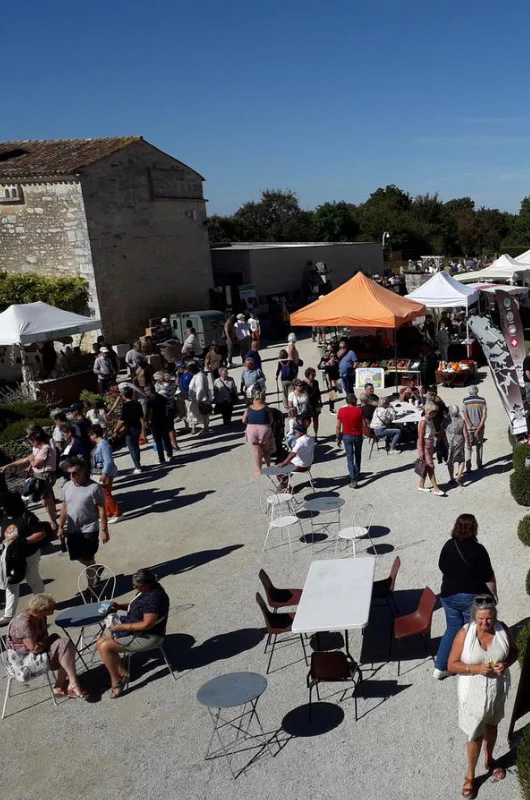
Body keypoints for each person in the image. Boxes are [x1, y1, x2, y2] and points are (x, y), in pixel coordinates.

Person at [448, 596, 518, 798]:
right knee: (475, 735)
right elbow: (452, 664)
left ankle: (490, 760)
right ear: (474, 618)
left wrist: (505, 664)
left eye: (489, 619)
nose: (485, 623)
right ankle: (470, 776)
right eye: (480, 619)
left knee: (492, 726)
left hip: (496, 691)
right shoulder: (464, 634)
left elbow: (514, 651)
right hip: (472, 694)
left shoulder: (502, 629)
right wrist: (476, 668)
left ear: (495, 616)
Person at [434, 514, 497, 680]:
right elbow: (488, 576)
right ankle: (470, 663)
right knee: (473, 631)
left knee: (452, 629)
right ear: (474, 529)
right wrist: (494, 595)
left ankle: (440, 667)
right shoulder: (479, 550)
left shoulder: (449, 545)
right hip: (471, 597)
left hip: (448, 595)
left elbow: (441, 565)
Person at [96, 568, 170, 699]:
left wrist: (121, 626)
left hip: (149, 637)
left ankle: (117, 681)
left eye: (136, 586)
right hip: (137, 630)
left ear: (145, 585)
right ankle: (122, 672)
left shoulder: (153, 599)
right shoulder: (146, 592)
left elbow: (147, 624)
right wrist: (119, 606)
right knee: (101, 640)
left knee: (104, 646)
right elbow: (137, 609)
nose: (133, 587)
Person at [7, 593, 88, 699]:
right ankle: (71, 684)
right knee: (64, 646)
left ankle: (64, 685)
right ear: (40, 610)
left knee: (62, 643)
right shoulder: (24, 624)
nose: (54, 609)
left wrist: (45, 640)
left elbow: (43, 638)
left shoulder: (39, 616)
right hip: (25, 661)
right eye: (51, 608)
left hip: (35, 651)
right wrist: (45, 640)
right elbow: (34, 648)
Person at [0, 493, 46, 624]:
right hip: (10, 557)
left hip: (29, 554)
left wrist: (23, 541)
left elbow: (41, 533)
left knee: (33, 579)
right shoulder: (3, 518)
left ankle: (42, 607)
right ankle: (8, 615)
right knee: (11, 583)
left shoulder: (26, 516)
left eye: (5, 507)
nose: (3, 509)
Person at [57, 457, 109, 573]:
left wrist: (104, 530)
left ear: (83, 471)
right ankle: (96, 568)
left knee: (88, 560)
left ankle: (91, 589)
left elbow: (102, 509)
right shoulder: (67, 486)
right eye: (69, 473)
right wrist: (60, 527)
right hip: (72, 529)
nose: (72, 476)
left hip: (89, 530)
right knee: (76, 556)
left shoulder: (94, 488)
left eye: (75, 473)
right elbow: (64, 507)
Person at [1, 426, 58, 531]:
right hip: (40, 476)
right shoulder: (37, 449)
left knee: (45, 501)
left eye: (31, 442)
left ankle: (54, 522)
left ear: (35, 441)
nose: (30, 444)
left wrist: (31, 460)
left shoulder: (45, 448)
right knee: (46, 500)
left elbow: (36, 463)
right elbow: (24, 460)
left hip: (45, 476)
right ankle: (53, 521)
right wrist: (8, 466)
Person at [89, 424, 121, 523]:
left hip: (106, 472)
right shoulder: (99, 445)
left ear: (95, 434)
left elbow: (108, 460)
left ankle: (117, 513)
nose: (89, 436)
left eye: (90, 434)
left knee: (106, 493)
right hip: (100, 471)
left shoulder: (103, 444)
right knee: (103, 494)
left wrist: (104, 473)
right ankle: (108, 513)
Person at [417, 402, 446, 496]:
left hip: (430, 444)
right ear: (430, 412)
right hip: (425, 445)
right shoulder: (423, 421)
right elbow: (420, 437)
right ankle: (436, 488)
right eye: (434, 412)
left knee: (426, 466)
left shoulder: (429, 419)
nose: (436, 413)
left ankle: (421, 485)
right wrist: (421, 450)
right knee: (430, 466)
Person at [242, 390, 273, 475]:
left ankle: (259, 470)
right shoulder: (266, 407)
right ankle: (269, 467)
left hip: (252, 429)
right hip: (264, 428)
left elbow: (243, 420)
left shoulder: (249, 408)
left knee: (257, 450)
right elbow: (271, 419)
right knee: (266, 450)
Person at [336, 393, 364, 488]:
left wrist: (337, 438)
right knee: (358, 455)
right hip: (358, 435)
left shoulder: (341, 411)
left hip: (347, 436)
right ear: (353, 400)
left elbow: (338, 426)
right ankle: (357, 473)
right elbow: (363, 425)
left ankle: (353, 478)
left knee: (349, 457)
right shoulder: (359, 410)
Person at [278, 423, 315, 489]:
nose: (295, 434)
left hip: (300, 466)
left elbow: (293, 454)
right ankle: (286, 479)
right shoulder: (310, 438)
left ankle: (286, 487)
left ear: (300, 433)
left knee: (278, 471)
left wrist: (283, 463)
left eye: (296, 432)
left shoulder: (300, 441)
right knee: (288, 464)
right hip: (308, 465)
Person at [116, 386, 144, 473]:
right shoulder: (137, 403)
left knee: (132, 448)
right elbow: (141, 416)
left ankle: (137, 466)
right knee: (136, 446)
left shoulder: (125, 406)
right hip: (137, 426)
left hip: (129, 428)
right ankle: (138, 464)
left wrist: (116, 430)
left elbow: (122, 420)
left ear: (124, 395)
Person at [145, 383, 173, 464]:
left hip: (154, 421)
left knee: (158, 440)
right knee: (166, 438)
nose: (146, 393)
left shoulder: (150, 400)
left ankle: (161, 458)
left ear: (150, 390)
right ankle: (170, 455)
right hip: (163, 419)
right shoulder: (162, 397)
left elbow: (148, 411)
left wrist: (146, 420)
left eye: (146, 391)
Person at [462, 386, 487, 472]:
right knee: (479, 445)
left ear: (469, 392)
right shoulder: (482, 400)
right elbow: (484, 415)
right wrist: (479, 427)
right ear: (477, 391)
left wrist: (471, 425)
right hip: (480, 427)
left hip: (469, 428)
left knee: (468, 446)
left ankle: (468, 467)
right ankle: (479, 464)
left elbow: (465, 415)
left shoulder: (465, 401)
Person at [153, 372, 179, 451]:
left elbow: (162, 401)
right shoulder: (170, 385)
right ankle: (175, 444)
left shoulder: (163, 389)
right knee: (171, 427)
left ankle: (173, 445)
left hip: (165, 410)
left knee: (168, 428)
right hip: (171, 408)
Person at [446, 405, 469, 486]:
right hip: (459, 441)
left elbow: (441, 431)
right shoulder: (462, 421)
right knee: (461, 460)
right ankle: (459, 477)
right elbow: (465, 434)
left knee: (450, 461)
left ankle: (451, 478)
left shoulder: (446, 421)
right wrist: (468, 443)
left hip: (449, 442)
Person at [188, 362, 212, 436]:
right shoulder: (197, 375)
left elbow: (200, 388)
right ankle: (204, 428)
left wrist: (198, 399)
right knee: (200, 414)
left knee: (204, 414)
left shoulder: (199, 376)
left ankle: (206, 429)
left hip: (201, 399)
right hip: (197, 399)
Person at [303, 368, 322, 438]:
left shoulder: (316, 382)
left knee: (316, 420)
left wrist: (320, 401)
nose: (314, 376)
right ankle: (303, 434)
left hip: (316, 403)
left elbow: (318, 392)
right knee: (307, 421)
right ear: (308, 375)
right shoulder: (303, 383)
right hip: (307, 404)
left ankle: (316, 436)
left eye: (314, 375)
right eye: (312, 375)